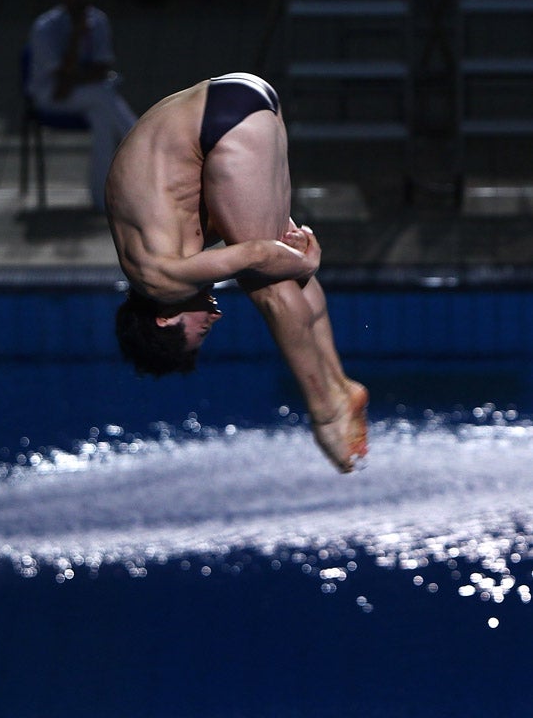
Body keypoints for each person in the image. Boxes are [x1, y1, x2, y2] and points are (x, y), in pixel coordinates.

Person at [105, 72, 368, 474]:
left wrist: (307, 261)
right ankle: (338, 383)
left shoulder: (159, 278)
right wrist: (296, 257)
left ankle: (325, 414)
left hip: (221, 121)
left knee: (265, 286)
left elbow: (257, 253)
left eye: (202, 329)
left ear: (165, 319)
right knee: (287, 272)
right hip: (241, 98)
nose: (215, 315)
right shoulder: (151, 249)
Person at [27, 0, 136, 210]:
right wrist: (76, 36)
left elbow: (101, 66)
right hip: (49, 95)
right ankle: (139, 140)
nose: (83, 1)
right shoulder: (45, 27)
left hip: (83, 91)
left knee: (103, 121)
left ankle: (101, 198)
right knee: (104, 94)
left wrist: (75, 79)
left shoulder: (98, 20)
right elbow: (59, 79)